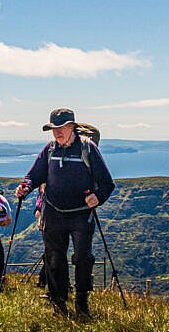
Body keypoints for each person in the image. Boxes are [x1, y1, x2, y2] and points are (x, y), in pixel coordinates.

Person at [15, 108, 115, 317]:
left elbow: (107, 183)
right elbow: (34, 175)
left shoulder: (88, 148)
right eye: (53, 129)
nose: (57, 133)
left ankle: (82, 302)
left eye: (61, 128)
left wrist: (97, 197)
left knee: (82, 257)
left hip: (80, 214)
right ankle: (59, 302)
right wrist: (25, 186)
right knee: (54, 258)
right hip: (53, 211)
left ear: (72, 127)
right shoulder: (50, 149)